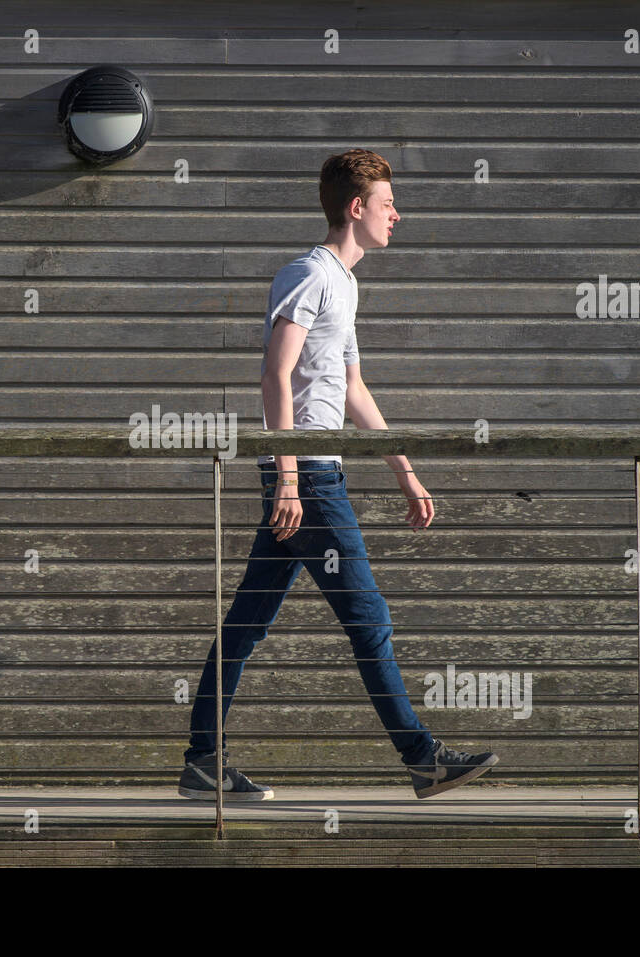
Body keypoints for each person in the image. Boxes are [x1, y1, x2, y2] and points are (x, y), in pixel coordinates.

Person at [178, 149, 499, 802]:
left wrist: (405, 473)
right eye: (387, 204)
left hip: (314, 474)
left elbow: (353, 387)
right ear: (357, 208)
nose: (396, 215)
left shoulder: (345, 285)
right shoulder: (308, 274)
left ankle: (202, 762)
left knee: (246, 622)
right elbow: (274, 371)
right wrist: (290, 479)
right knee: (369, 619)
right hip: (310, 481)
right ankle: (422, 758)